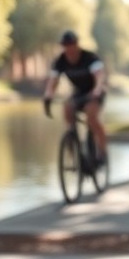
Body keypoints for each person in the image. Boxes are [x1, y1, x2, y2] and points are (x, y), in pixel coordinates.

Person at [42, 30, 109, 166]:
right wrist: (48, 95)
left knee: (91, 118)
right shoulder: (60, 61)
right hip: (79, 92)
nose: (69, 48)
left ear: (77, 44)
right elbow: (53, 81)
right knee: (67, 109)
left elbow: (99, 76)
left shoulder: (89, 57)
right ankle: (74, 147)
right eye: (65, 45)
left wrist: (97, 90)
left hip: (95, 91)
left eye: (71, 44)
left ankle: (102, 152)